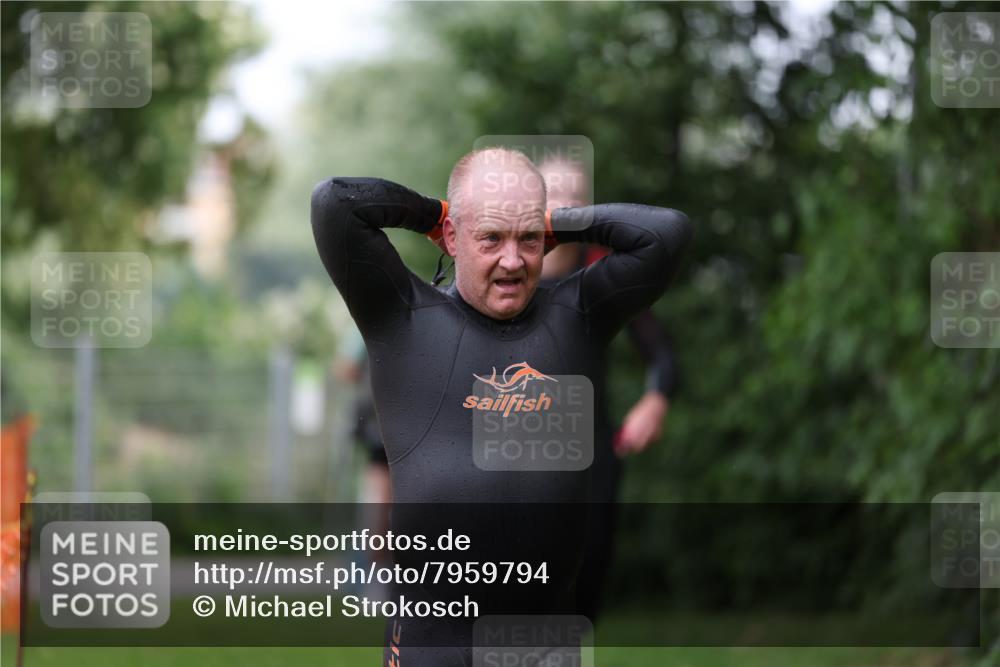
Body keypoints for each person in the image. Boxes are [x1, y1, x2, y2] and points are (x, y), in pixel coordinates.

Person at [311, 147, 691, 666]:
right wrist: (434, 212)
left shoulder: (578, 313)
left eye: (528, 239)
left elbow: (666, 233)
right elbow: (336, 203)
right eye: (490, 237)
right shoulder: (401, 316)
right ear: (453, 237)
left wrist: (558, 221)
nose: (512, 260)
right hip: (432, 641)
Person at [537, 157, 678, 623]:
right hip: (512, 455)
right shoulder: (508, 269)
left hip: (590, 456)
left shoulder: (601, 270)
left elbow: (661, 354)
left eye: (577, 196)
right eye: (554, 193)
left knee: (581, 596)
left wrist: (655, 400)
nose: (566, 205)